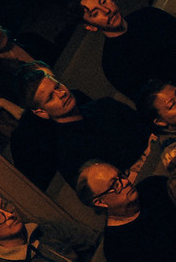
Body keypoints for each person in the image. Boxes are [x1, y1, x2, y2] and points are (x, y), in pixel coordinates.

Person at [9, 66, 152, 191]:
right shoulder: (67, 154)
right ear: (42, 112)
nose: (62, 93)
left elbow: (150, 129)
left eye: (57, 87)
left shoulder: (105, 105)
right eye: (50, 97)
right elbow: (103, 193)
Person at [74, 160, 176, 262]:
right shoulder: (117, 250)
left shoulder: (152, 186)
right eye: (115, 184)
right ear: (100, 202)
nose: (125, 182)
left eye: (121, 176)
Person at [76, 0, 176, 101]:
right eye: (95, 13)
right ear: (91, 27)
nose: (106, 10)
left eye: (103, 1)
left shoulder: (147, 15)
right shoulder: (112, 64)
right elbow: (155, 101)